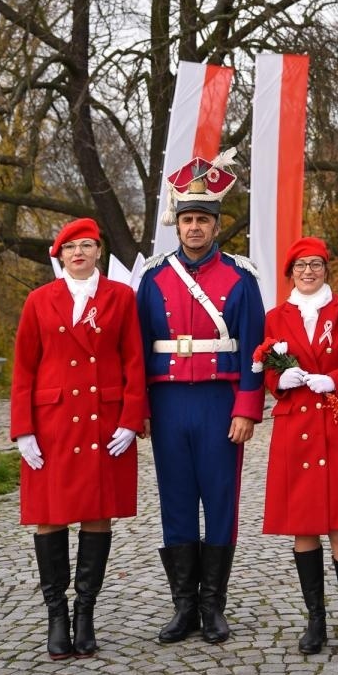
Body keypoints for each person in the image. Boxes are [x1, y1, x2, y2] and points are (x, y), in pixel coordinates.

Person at [137, 153, 265, 645]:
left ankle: (213, 606)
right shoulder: (153, 277)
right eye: (187, 219)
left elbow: (254, 348)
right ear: (178, 224)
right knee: (175, 501)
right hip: (168, 403)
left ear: (216, 225)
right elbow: (136, 349)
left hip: (219, 403)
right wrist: (140, 410)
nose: (194, 227)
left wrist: (247, 407)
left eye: (203, 220)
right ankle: (183, 607)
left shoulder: (240, 277)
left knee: (220, 499)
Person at [10, 217, 145, 659]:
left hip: (102, 423)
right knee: (49, 515)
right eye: (71, 247)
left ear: (98, 252)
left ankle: (85, 613)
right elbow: (24, 368)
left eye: (87, 245)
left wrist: (131, 419)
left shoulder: (120, 297)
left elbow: (134, 360)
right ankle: (56, 615)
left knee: (97, 514)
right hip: (52, 425)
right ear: (60, 255)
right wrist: (23, 429)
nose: (79, 253)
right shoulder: (39, 300)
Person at [262, 236, 338, 654]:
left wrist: (335, 379)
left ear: (326, 269)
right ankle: (315, 621)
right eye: (300, 266)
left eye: (315, 264)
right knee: (304, 528)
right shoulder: (276, 316)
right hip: (295, 430)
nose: (308, 272)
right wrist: (279, 379)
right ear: (290, 273)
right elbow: (266, 369)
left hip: (336, 425)